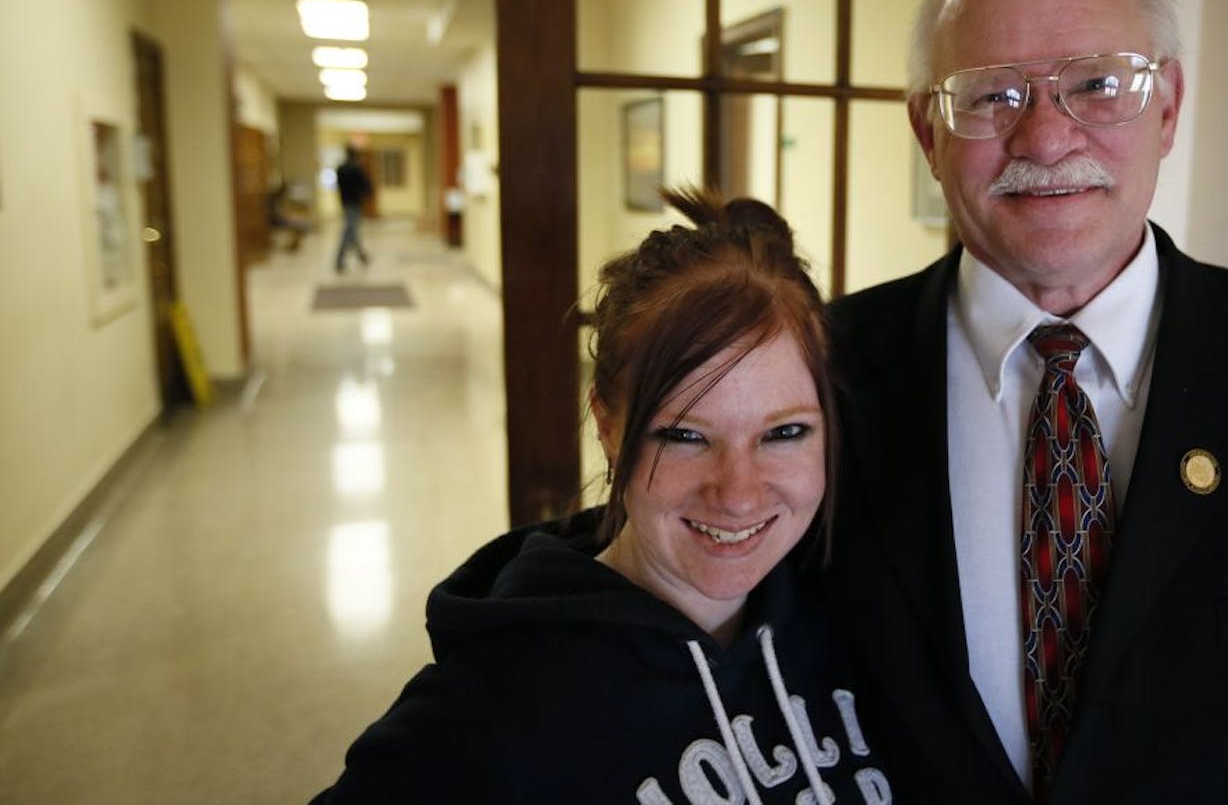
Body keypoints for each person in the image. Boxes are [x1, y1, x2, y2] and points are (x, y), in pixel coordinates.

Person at [825, 0, 1228, 803]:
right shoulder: (812, 378)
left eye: (1097, 85)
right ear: (928, 130)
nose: (1046, 133)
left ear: (1169, 106)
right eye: (993, 94)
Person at [312, 188, 894, 803]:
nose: (739, 494)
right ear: (609, 426)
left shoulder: (858, 617)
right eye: (686, 435)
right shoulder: (492, 708)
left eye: (784, 433)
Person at [333, 144, 371, 272]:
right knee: (350, 231)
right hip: (354, 203)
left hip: (345, 203)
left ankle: (361, 255)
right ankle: (340, 259)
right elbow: (366, 186)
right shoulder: (356, 169)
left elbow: (338, 187)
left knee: (352, 229)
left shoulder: (340, 169)